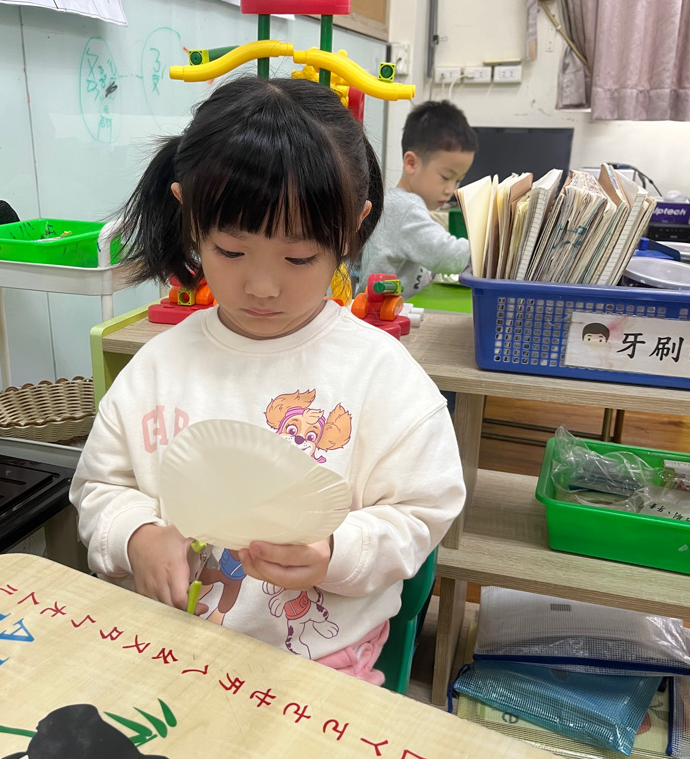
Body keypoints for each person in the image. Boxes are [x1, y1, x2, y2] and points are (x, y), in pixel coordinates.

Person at [70, 76, 465, 685]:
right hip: (165, 653)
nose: (261, 286)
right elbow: (100, 487)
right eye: (230, 251)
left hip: (317, 669)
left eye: (299, 257)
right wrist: (135, 535)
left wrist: (336, 551)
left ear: (353, 226)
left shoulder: (382, 378)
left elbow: (422, 510)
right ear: (189, 214)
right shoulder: (156, 367)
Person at [357, 99, 476, 297]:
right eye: (446, 177)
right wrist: (487, 250)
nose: (451, 189)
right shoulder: (404, 207)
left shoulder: (398, 203)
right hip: (380, 311)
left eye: (458, 180)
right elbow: (445, 255)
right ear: (411, 163)